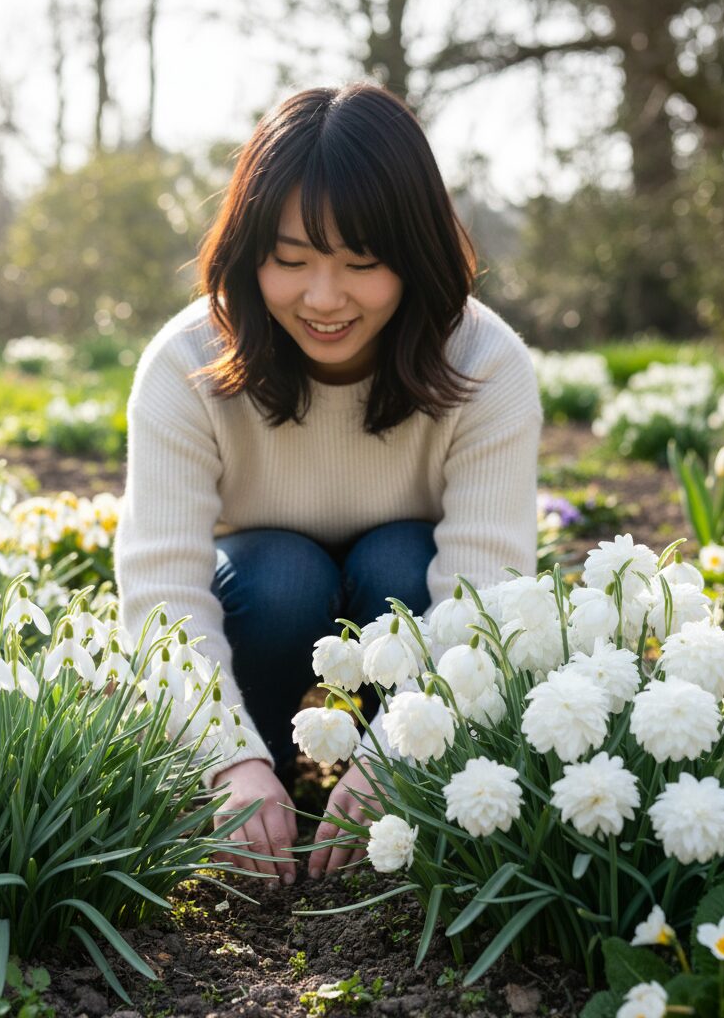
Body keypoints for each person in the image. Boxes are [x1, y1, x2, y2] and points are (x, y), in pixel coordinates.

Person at [114, 82, 541, 887]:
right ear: (250, 249)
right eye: (292, 259)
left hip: (407, 606)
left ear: (414, 257)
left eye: (361, 263)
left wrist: (397, 757)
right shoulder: (186, 363)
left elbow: (484, 594)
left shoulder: (487, 367)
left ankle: (415, 801)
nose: (323, 298)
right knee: (278, 575)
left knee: (403, 565)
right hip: (264, 606)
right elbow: (161, 586)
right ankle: (261, 782)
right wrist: (224, 760)